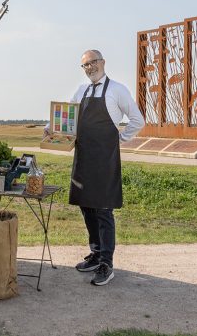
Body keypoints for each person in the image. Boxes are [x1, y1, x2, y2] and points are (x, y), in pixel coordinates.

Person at [46, 49, 143, 286]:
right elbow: (66, 117)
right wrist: (50, 127)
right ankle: (95, 252)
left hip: (104, 161)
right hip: (84, 158)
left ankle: (106, 264)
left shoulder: (118, 90)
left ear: (103, 62)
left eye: (93, 62)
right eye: (85, 65)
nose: (90, 67)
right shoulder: (82, 91)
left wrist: (118, 139)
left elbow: (137, 121)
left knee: (103, 210)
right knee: (86, 207)